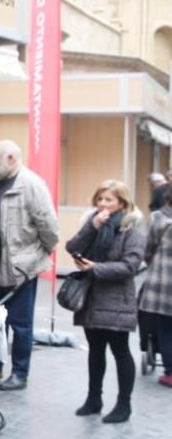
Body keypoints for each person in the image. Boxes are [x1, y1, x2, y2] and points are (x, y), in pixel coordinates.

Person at [64, 180, 145, 424]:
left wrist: (96, 267)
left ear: (121, 202)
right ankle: (93, 399)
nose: (102, 204)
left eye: (108, 199)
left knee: (120, 351)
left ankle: (124, 404)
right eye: (100, 199)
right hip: (92, 296)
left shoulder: (131, 230)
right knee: (95, 350)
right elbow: (72, 246)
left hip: (117, 299)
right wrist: (92, 227)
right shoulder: (93, 223)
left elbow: (131, 266)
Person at [0, 140, 60, 390]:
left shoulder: (31, 184)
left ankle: (20, 372)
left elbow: (49, 227)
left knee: (20, 323)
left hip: (21, 267)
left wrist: (37, 255)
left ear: (11, 158)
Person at [140, 185, 172, 389]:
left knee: (165, 328)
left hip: (162, 282)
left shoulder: (158, 218)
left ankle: (170, 372)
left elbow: (148, 250)